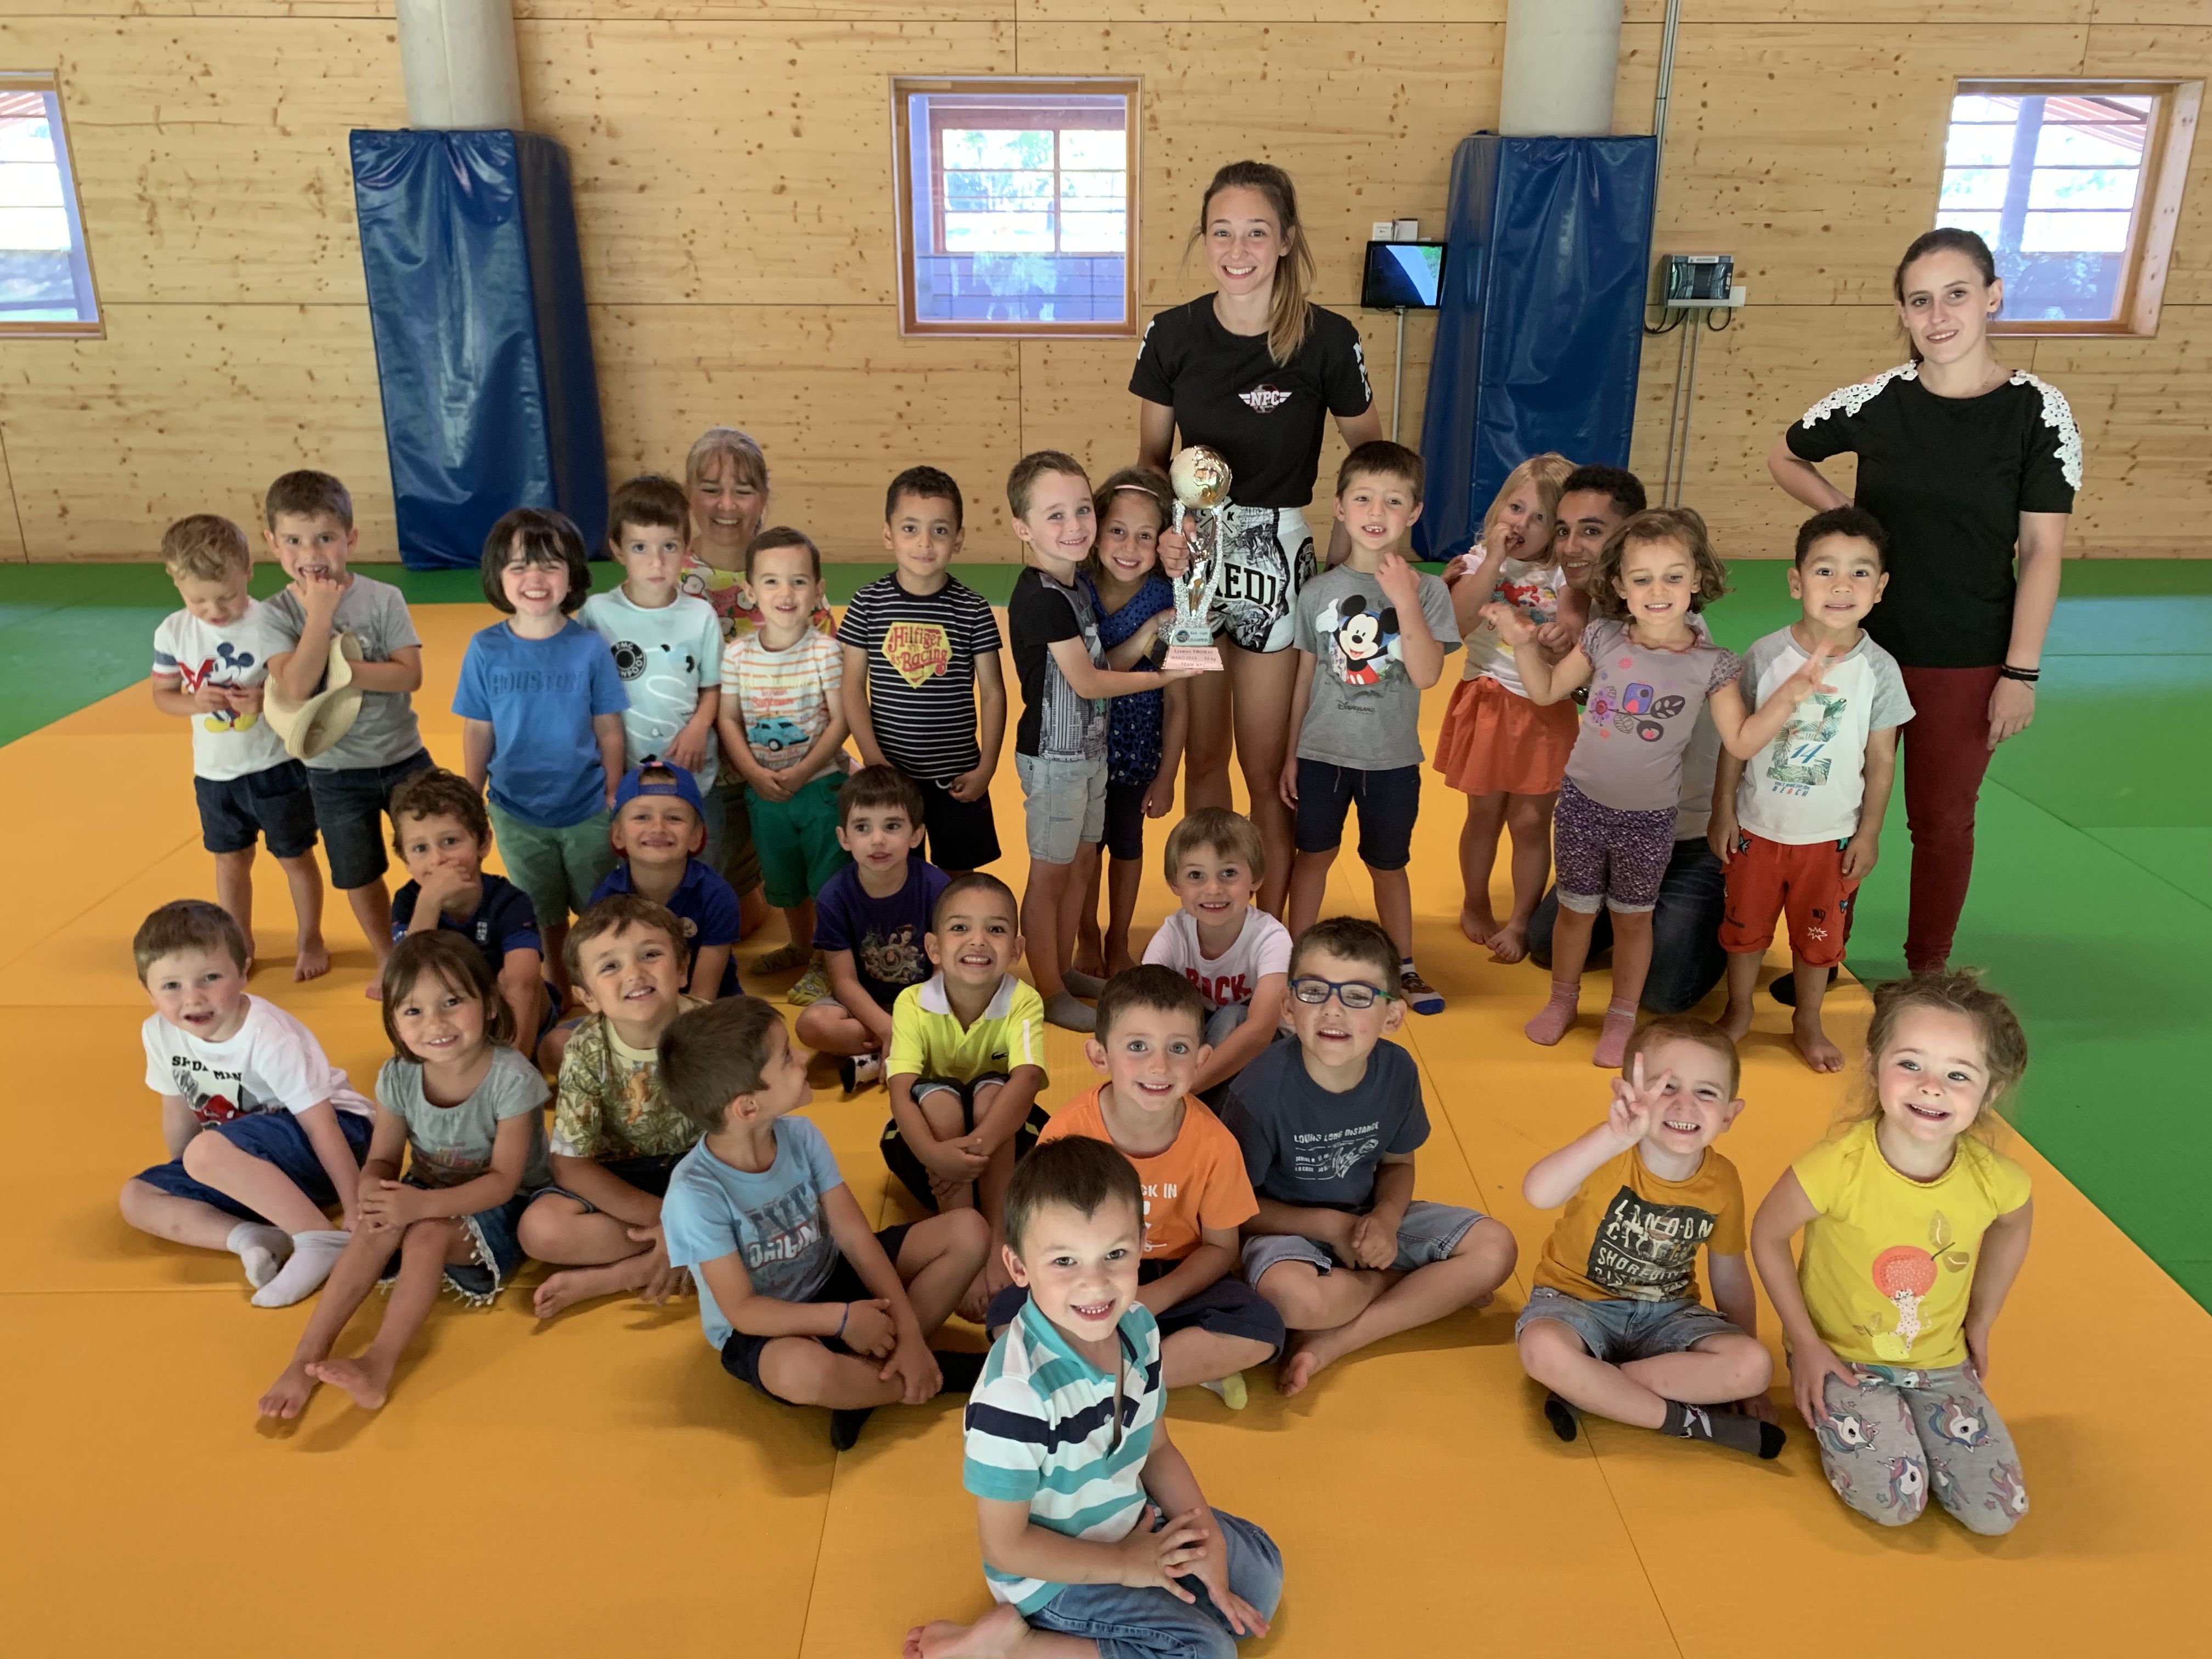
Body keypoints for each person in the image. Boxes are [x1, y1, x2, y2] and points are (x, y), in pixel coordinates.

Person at [1767, 227, 2076, 976]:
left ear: (1993, 298)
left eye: (1957, 295)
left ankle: (1925, 969)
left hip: (1966, 653)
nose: (1939, 316)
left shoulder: (2037, 412)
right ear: (1904, 313)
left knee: (1940, 822)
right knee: (1837, 805)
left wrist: (2021, 672)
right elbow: (1786, 453)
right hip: (1858, 649)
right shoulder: (1878, 400)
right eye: (1921, 301)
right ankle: (1823, 954)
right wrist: (1849, 520)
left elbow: (2040, 551)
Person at [902, 1136, 1283, 1659]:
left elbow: (1157, 1451)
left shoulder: (1141, 1331)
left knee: (1262, 1577)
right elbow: (1006, 1546)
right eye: (1064, 1261)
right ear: (1018, 1269)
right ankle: (1013, 1647)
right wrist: (1127, 1564)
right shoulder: (1014, 1397)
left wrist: (1206, 1536)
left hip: (1128, 1520)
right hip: (1051, 1575)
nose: (1096, 1285)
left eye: (1115, 1255)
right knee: (1209, 1653)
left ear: (1142, 1244)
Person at [1488, 506, 1841, 1066]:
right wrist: (1523, 641)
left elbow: (1743, 741)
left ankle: (1622, 1015)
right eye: (1643, 578)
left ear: (1697, 579)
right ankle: (1563, 1000)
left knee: (1632, 920)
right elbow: (1548, 691)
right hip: (1581, 806)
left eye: (1674, 576)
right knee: (1576, 913)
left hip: (1649, 821)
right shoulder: (1604, 638)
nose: (1659, 591)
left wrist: (1789, 696)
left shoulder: (1712, 665)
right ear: (1620, 587)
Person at [1136, 159, 1383, 916]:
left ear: (1285, 241)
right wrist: (1163, 541)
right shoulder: (1173, 333)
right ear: (1204, 238)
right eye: (1221, 231)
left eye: (1255, 232)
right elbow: (1150, 466)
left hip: (1281, 561)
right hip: (1197, 563)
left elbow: (1373, 465)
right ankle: (1206, 917)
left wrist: (1348, 564)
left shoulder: (1328, 340)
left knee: (1264, 760)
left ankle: (1265, 933)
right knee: (1204, 754)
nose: (1236, 248)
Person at [1750, 972, 2035, 1534]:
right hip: (1843, 1359)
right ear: (1874, 1062)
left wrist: (1982, 1316)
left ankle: (1909, 1416)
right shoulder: (1836, 1166)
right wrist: (1805, 1344)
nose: (1931, 1087)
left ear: (1990, 1093)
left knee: (1997, 1514)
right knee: (1894, 1504)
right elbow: (1766, 1233)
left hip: (1939, 1364)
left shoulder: (1994, 1178)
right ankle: (1871, 1415)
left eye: (1958, 1075)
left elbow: (2015, 1221)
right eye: (1911, 1064)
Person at [658, 996, 990, 1450]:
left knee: (968, 1232)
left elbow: (853, 1235)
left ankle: (872, 1380)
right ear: (747, 1108)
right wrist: (842, 1320)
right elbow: (743, 1311)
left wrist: (909, 1333)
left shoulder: (802, 1136)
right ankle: (931, 1374)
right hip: (769, 1326)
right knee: (802, 1373)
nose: (803, 1060)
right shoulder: (693, 1194)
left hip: (832, 1273)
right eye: (787, 1059)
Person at [257, 931, 553, 1419]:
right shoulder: (398, 1076)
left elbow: (504, 1180)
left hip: (506, 1204)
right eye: (413, 1011)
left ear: (492, 1006)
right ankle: (306, 1356)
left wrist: (421, 1207)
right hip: (427, 1190)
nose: (435, 1022)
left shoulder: (512, 1077)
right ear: (394, 1022)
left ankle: (379, 1363)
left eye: (453, 1002)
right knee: (378, 1224)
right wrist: (372, 1188)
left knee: (427, 1236)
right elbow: (383, 1159)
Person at [1224, 917, 1517, 1397]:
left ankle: (1335, 1343)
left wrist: (1385, 1217)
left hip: (1367, 1222)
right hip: (1289, 1231)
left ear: (1393, 1017)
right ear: (1288, 1007)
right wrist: (1327, 1226)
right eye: (1315, 991)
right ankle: (1412, 1283)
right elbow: (1234, 1212)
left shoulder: (1398, 1071)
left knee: (1497, 1249)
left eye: (1358, 997)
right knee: (1290, 1300)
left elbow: (1399, 1165)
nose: (1334, 1012)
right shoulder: (1259, 1092)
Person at [986, 967, 1285, 1409]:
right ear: (1099, 1056)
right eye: (1138, 1047)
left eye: (1178, 1049)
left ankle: (1094, 1379)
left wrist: (1151, 1299)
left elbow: (1221, 1249)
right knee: (1004, 1319)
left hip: (1172, 1274)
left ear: (1201, 1061)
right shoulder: (1068, 1131)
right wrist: (1092, 1288)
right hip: (1089, 1272)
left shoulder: (1215, 1143)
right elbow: (1044, 1236)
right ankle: (1153, 1368)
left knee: (1261, 1328)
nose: (1159, 1066)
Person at [1517, 1018, 1784, 1459]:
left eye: (1706, 1092)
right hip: (1576, 1303)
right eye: (1666, 1088)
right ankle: (1689, 1422)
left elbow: (1731, 1276)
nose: (1685, 1105)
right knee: (1542, 1350)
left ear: (1730, 1115)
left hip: (1668, 1313)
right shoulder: (1610, 1151)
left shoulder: (1723, 1180)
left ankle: (1593, 1387)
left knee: (1755, 1365)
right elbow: (1538, 1193)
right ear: (1630, 1093)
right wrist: (1611, 1137)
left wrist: (1746, 1369)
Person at [1006, 450, 1203, 1032]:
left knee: (1083, 863)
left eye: (1081, 511)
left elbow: (1105, 661)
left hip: (1090, 758)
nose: (1074, 527)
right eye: (1054, 516)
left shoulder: (1075, 591)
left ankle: (1062, 971)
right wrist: (1163, 676)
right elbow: (1089, 682)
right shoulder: (1043, 596)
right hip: (1055, 758)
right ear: (1024, 529)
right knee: (1050, 876)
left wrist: (1148, 638)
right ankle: (1046, 990)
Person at [1713, 507, 1913, 1071]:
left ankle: (1807, 1019)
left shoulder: (1881, 671)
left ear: (1881, 587)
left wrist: (1869, 834)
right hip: (1757, 828)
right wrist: (1722, 810)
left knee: (1817, 941)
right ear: (1797, 581)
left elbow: (1881, 759)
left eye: (1860, 573)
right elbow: (1736, 741)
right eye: (1826, 571)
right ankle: (1739, 1011)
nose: (1842, 586)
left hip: (1828, 841)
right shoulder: (1765, 656)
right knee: (1743, 931)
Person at [119, 900, 371, 1308]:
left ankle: (319, 1237)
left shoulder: (265, 1034)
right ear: (149, 992)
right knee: (136, 1197)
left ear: (243, 973)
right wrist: (200, 1182)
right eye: (171, 987)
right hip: (253, 1163)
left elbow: (320, 1123)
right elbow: (177, 1108)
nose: (193, 999)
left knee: (205, 1152)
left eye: (210, 978)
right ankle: (254, 1238)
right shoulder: (159, 1034)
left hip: (339, 1137)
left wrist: (355, 1208)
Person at [1281, 440, 1459, 1014]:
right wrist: (1291, 754)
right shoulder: (1317, 592)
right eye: (1363, 498)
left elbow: (1429, 674)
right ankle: (1294, 960)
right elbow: (1304, 678)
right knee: (1313, 856)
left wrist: (1404, 598)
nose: (1376, 512)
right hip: (1321, 753)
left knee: (1389, 864)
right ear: (1340, 508)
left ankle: (1403, 964)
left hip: (1391, 759)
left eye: (1392, 500)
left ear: (1414, 512)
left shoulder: (1428, 592)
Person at [258, 469, 430, 990]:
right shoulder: (274, 613)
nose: (311, 552)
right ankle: (386, 955)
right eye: (293, 540)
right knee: (358, 871)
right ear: (272, 544)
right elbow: (294, 686)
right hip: (334, 770)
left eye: (326, 538)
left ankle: (438, 938)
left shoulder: (383, 598)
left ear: (350, 539)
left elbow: (410, 674)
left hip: (403, 755)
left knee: (440, 849)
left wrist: (340, 671)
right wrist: (321, 614)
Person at [454, 507, 627, 1001]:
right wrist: (471, 796)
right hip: (515, 810)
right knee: (542, 909)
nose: (535, 578)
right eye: (518, 567)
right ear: (497, 577)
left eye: (550, 564)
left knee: (597, 907)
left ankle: (601, 980)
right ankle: (559, 983)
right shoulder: (485, 649)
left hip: (587, 806)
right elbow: (478, 729)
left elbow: (608, 727)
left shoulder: (589, 648)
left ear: (571, 573)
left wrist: (614, 789)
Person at [151, 513, 327, 980]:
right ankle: (239, 940)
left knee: (295, 857)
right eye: (199, 600)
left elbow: (300, 685)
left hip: (276, 765)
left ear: (249, 569)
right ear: (176, 583)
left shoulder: (270, 619)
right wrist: (192, 702)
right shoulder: (173, 632)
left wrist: (267, 697)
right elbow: (162, 698)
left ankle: (310, 937)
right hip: (215, 773)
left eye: (227, 596)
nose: (215, 610)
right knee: (230, 861)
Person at [520, 894, 706, 1319]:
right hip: (619, 1178)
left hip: (704, 1173)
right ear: (587, 996)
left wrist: (693, 1211)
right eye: (610, 966)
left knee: (788, 1210)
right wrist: (666, 1220)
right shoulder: (585, 1050)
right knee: (541, 1230)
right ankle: (689, 1250)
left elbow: (745, 1136)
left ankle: (625, 1274)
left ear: (681, 969)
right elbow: (571, 1164)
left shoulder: (710, 1033)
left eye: (651, 955)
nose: (635, 973)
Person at [1435, 453, 1579, 963]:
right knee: (1483, 814)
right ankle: (1475, 903)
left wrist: (1556, 635)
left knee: (1530, 822)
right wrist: (1492, 560)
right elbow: (1454, 627)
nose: (1522, 524)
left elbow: (1572, 635)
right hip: (1487, 699)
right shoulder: (1478, 562)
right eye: (1516, 508)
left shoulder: (1564, 575)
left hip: (1544, 708)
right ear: (1499, 508)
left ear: (1559, 528)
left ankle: (1521, 920)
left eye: (1540, 518)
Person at [879, 873, 1052, 1297]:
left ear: (1016, 949)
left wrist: (976, 1150)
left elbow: (1028, 1078)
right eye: (960, 928)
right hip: (927, 1158)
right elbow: (901, 1090)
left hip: (1001, 1153)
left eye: (995, 929)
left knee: (997, 1092)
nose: (978, 941)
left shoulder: (1023, 1000)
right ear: (934, 948)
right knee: (938, 1103)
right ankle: (961, 1239)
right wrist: (937, 1155)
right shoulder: (913, 1003)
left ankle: (996, 1239)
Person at [841, 465, 1007, 876]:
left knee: (959, 879)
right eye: (911, 528)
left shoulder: (973, 609)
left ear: (959, 539)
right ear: (888, 534)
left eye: (939, 530)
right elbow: (850, 689)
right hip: (891, 777)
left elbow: (993, 693)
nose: (925, 543)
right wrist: (874, 760)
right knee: (893, 876)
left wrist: (986, 767)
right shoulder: (867, 604)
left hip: (958, 778)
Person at [715, 526, 853, 1008]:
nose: (786, 593)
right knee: (785, 878)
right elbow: (728, 720)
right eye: (771, 581)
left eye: (798, 581)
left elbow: (842, 721)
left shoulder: (826, 652)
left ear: (818, 589)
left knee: (827, 878)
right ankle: (801, 943)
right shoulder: (737, 655)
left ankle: (828, 958)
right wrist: (754, 773)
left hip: (820, 788)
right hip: (766, 792)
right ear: (750, 591)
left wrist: (801, 773)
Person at [1075, 467, 1187, 980]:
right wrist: (1146, 635)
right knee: (1084, 851)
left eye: (1146, 535)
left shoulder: (1171, 600)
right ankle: (1087, 937)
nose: (1130, 546)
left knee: (1126, 845)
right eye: (1118, 530)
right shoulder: (1073, 589)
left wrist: (1167, 775)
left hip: (1136, 751)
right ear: (1096, 529)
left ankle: (1119, 937)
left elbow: (1180, 699)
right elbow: (1094, 673)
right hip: (1079, 746)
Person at [796, 765, 948, 1090]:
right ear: (845, 838)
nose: (878, 840)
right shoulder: (833, 896)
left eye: (892, 826)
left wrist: (915, 1020)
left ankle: (886, 1057)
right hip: (866, 1007)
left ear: (916, 835)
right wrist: (888, 1028)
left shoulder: (937, 887)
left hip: (926, 1004)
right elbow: (844, 982)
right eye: (863, 828)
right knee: (813, 1025)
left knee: (977, 1013)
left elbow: (942, 972)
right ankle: (907, 1051)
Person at [579, 474, 726, 806]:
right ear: (617, 550)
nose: (657, 562)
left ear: (687, 548)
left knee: (700, 852)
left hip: (691, 773)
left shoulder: (701, 615)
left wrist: (699, 726)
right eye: (640, 547)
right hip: (623, 774)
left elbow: (713, 685)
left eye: (669, 546)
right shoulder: (597, 613)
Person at [387, 766, 551, 1046]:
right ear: (405, 859)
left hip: (509, 1018)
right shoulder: (408, 902)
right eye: (420, 849)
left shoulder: (509, 901)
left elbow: (522, 985)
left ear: (484, 843)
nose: (437, 859)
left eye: (450, 842)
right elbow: (408, 978)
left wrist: (515, 1069)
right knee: (409, 996)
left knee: (520, 979)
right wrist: (429, 902)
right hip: (448, 1017)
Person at [1141, 809, 1290, 1103]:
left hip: (1270, 1054)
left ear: (1256, 879)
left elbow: (1260, 1031)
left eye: (1229, 873)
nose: (1213, 889)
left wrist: (1185, 1090)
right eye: (1196, 875)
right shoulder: (1174, 933)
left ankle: (1198, 1116)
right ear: (1175, 884)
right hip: (1202, 1044)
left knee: (1234, 1016)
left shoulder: (1272, 938)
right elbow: (1141, 1005)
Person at [583, 763, 741, 1006]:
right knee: (558, 1041)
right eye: (642, 817)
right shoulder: (606, 901)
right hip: (637, 1008)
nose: (658, 828)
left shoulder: (717, 897)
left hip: (708, 1013)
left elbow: (702, 997)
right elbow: (607, 983)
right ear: (618, 835)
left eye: (674, 818)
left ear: (696, 836)